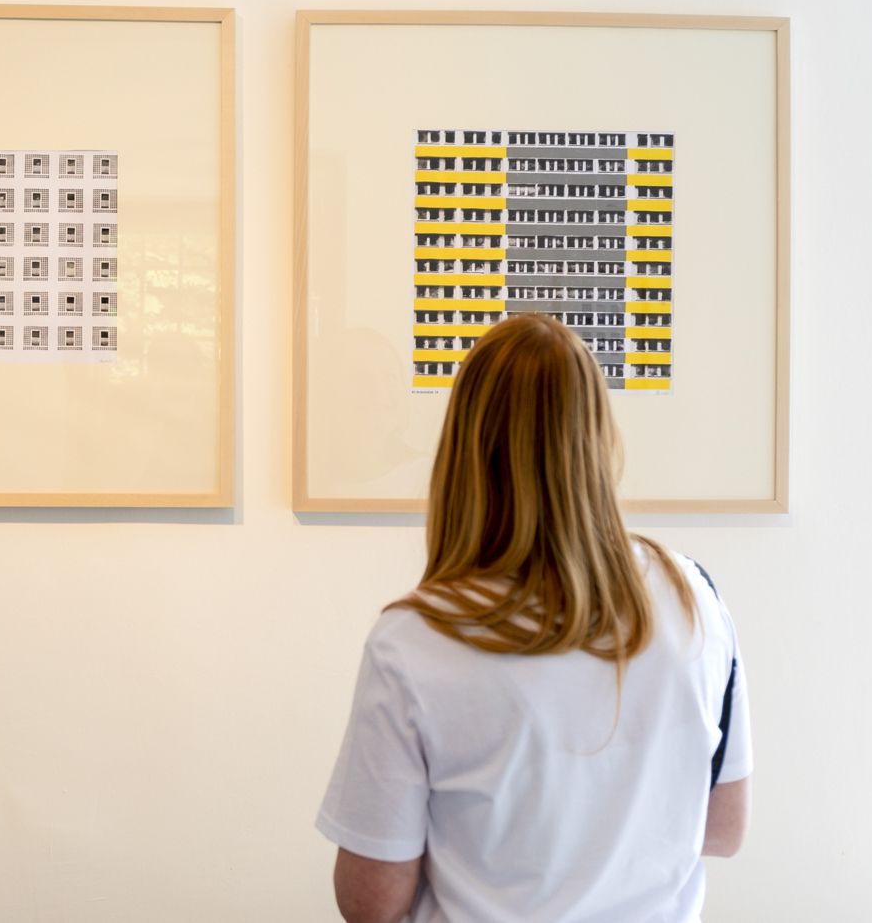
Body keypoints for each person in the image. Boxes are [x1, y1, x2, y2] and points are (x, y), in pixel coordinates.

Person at [316, 315, 752, 923]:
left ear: (464, 450)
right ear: (599, 437)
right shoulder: (694, 598)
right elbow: (723, 828)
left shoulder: (415, 640)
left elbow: (372, 902)